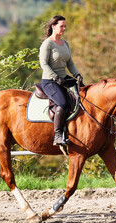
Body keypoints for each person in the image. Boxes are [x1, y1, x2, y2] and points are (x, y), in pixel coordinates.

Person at [39, 15, 84, 146]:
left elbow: (70, 63)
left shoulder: (65, 44)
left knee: (84, 95)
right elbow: (44, 64)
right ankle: (58, 135)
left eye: (65, 26)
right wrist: (55, 77)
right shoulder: (47, 44)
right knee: (63, 103)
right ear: (53, 27)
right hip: (50, 81)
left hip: (63, 78)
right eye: (61, 26)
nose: (64, 28)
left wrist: (77, 74)